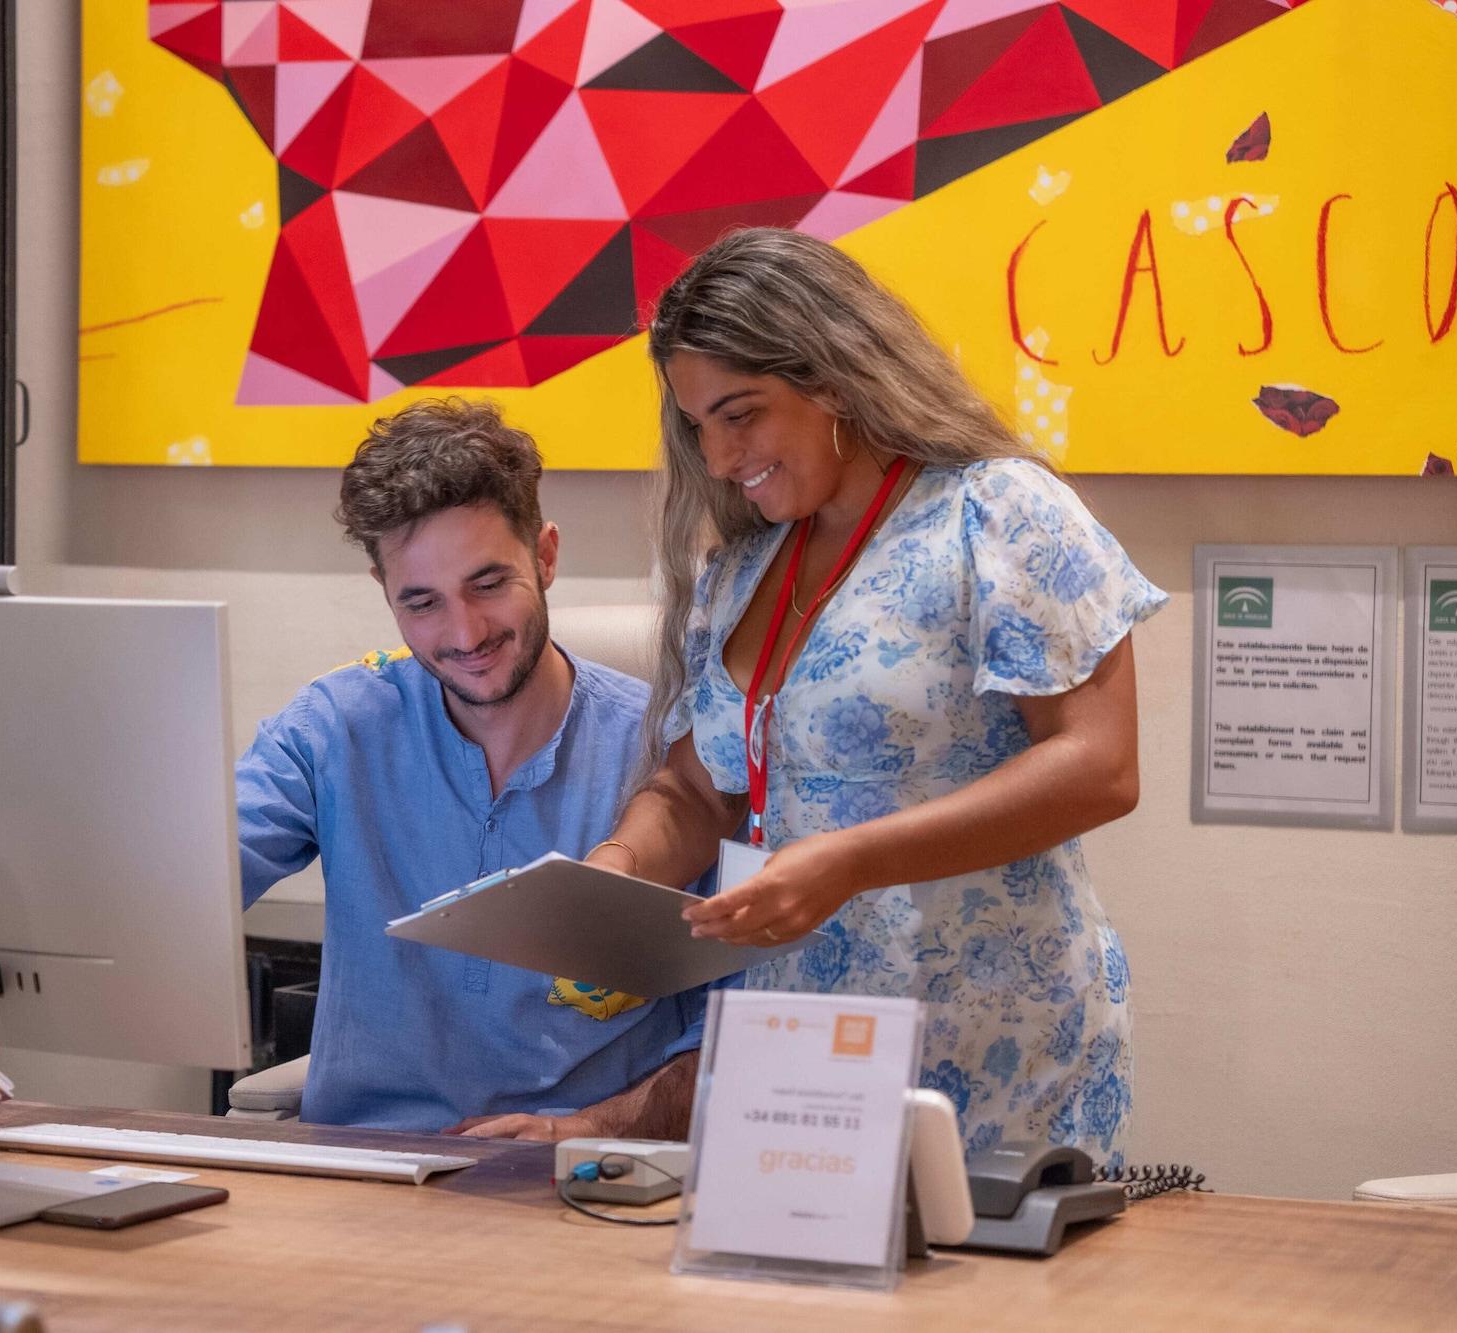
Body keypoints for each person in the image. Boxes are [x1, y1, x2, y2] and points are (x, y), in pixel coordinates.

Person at [587, 228, 1167, 1166]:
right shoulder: (743, 569)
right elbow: (702, 791)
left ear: (832, 376)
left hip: (987, 1040)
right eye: (700, 424)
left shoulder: (999, 512)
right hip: (797, 1047)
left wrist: (850, 860)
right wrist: (616, 871)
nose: (722, 455)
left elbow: (1100, 765)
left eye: (742, 413)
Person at [236, 397, 704, 1140]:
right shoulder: (333, 729)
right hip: (361, 1173)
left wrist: (588, 1127)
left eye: (489, 584)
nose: (464, 633)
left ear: (545, 555)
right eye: (421, 602)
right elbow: (178, 886)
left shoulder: (675, 759)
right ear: (384, 592)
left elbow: (740, 1032)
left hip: (581, 1180)